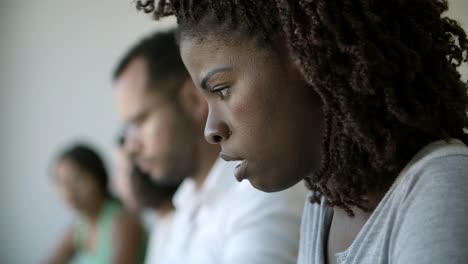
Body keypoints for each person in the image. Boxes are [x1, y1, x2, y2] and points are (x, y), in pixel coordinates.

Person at [136, 1, 468, 264]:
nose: (211, 130)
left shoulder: (441, 184)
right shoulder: (323, 203)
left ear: (304, 56)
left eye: (222, 89)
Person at [113, 30, 307, 264]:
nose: (130, 147)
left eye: (140, 121)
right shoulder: (179, 209)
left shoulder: (265, 195)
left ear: (192, 100)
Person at [47, 143, 147, 264]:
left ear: (98, 177)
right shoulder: (79, 228)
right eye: (60, 182)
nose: (68, 190)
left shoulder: (123, 221)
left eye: (76, 179)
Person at [113, 131, 180, 264]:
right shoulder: (162, 224)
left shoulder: (178, 229)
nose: (114, 185)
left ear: (145, 169)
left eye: (121, 170)